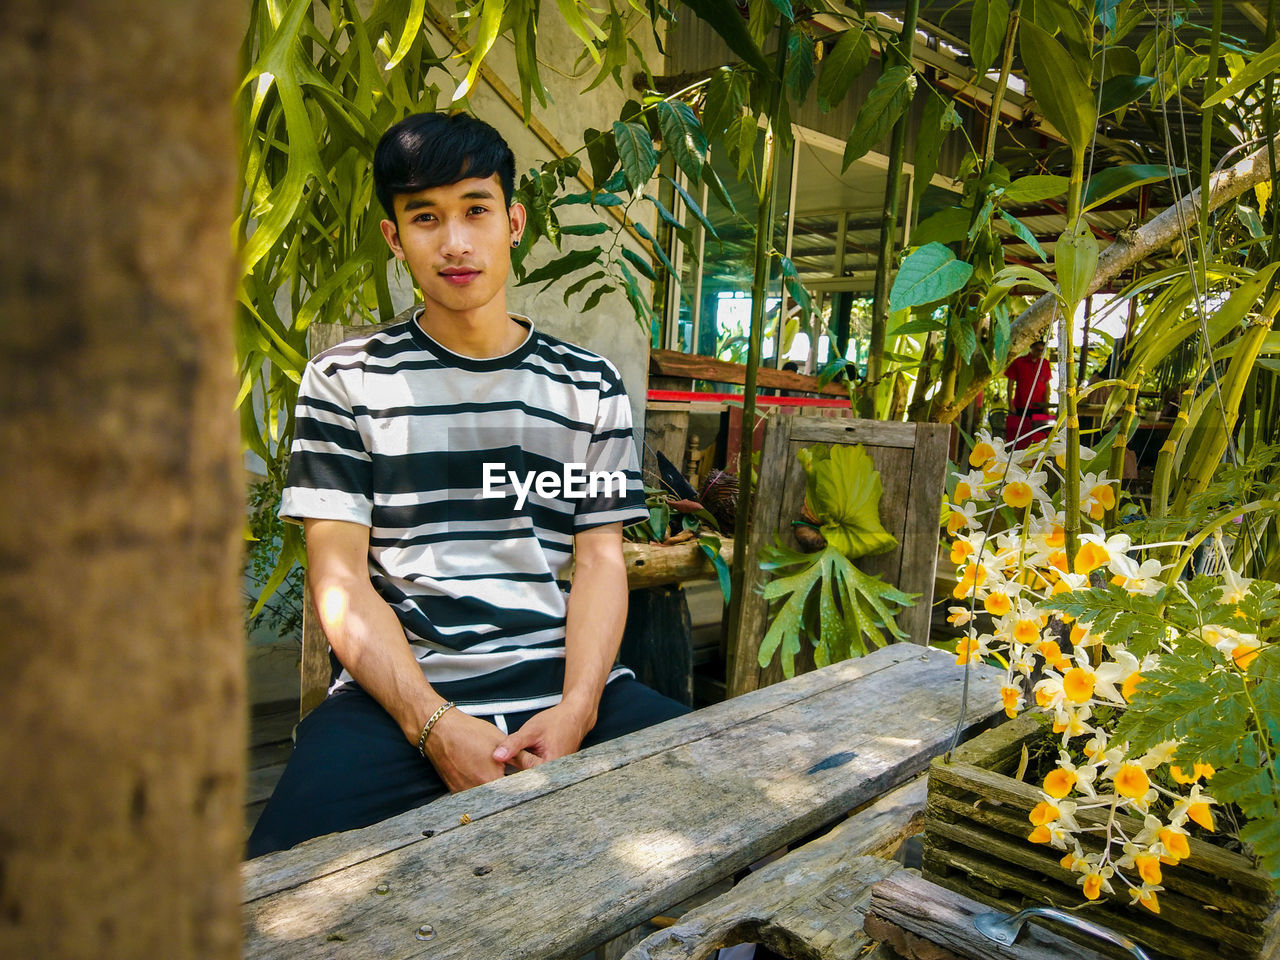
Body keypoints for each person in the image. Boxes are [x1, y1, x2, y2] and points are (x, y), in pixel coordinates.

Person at [247, 112, 689, 858]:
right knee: (274, 888)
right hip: (398, 703)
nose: (454, 242)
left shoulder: (589, 386)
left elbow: (601, 560)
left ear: (513, 221)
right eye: (425, 217)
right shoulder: (347, 382)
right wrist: (433, 725)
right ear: (395, 238)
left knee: (730, 813)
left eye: (476, 211)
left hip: (571, 686)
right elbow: (340, 582)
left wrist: (578, 709)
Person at [1004, 339, 1053, 449]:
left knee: (1039, 438)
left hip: (1039, 405)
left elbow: (1047, 386)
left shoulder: (1045, 363)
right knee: (1020, 436)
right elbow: (1010, 384)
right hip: (1021, 405)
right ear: (1031, 348)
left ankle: (1035, 461)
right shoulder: (1018, 362)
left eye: (1042, 350)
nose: (1039, 352)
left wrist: (1046, 405)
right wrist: (1010, 404)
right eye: (1037, 350)